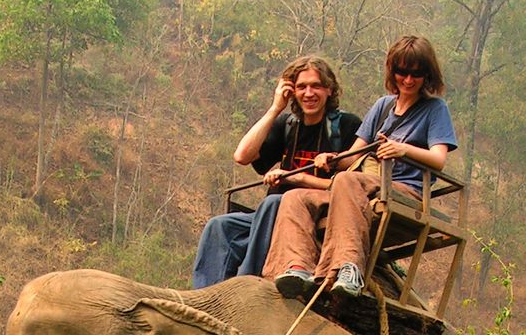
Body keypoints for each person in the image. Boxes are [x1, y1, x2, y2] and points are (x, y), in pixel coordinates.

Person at [265, 35, 458, 298]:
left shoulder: (434, 109)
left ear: (428, 74)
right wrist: (330, 157)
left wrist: (403, 149)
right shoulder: (383, 106)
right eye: (402, 72)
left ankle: (348, 266)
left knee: (346, 180)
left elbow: (438, 158)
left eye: (417, 73)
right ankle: (296, 266)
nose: (409, 80)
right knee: (295, 197)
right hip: (365, 187)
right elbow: (353, 157)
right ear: (393, 71)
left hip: (405, 190)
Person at [191, 57, 361, 288]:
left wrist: (297, 178)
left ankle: (246, 284)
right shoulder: (288, 125)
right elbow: (242, 156)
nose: (309, 93)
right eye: (301, 87)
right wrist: (275, 108)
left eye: (316, 86)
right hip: (268, 215)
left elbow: (353, 188)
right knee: (220, 226)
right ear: (292, 91)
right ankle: (205, 294)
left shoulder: (347, 126)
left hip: (315, 214)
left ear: (329, 90)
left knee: (274, 203)